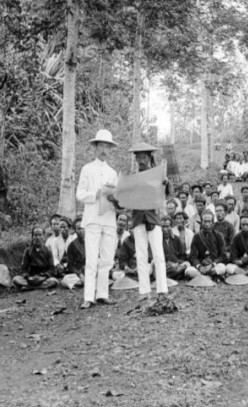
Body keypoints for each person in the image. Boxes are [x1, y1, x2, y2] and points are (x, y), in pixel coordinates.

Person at [76, 129, 119, 309]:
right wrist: (96, 194)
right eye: (101, 146)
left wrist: (115, 199)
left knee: (107, 259)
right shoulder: (87, 169)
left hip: (109, 218)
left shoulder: (113, 173)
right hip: (93, 218)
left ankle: (102, 294)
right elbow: (79, 194)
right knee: (92, 259)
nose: (104, 150)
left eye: (107, 147)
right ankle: (88, 297)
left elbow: (118, 197)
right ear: (95, 148)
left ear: (110, 149)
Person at [127, 142, 169, 299]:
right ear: (136, 159)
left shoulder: (157, 175)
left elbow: (167, 192)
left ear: (150, 158)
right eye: (139, 157)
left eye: (144, 157)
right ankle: (144, 290)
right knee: (141, 255)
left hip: (152, 218)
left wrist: (165, 183)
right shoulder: (132, 177)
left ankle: (162, 289)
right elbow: (125, 198)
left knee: (158, 254)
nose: (141, 160)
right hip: (138, 218)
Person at [186, 211, 227, 278]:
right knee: (188, 271)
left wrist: (212, 265)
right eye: (205, 221)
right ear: (201, 223)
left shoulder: (219, 235)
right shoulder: (197, 236)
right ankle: (209, 276)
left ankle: (204, 276)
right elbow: (193, 256)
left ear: (213, 223)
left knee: (221, 268)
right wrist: (199, 267)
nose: (207, 224)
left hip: (214, 264)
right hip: (201, 265)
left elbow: (222, 256)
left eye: (209, 221)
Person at [61, 217, 86, 288]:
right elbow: (70, 265)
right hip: (78, 273)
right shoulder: (72, 245)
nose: (81, 231)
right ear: (75, 231)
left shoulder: (91, 242)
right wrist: (79, 274)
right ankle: (87, 282)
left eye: (83, 228)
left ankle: (86, 282)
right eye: (78, 229)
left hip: (90, 271)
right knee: (65, 280)